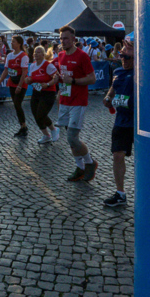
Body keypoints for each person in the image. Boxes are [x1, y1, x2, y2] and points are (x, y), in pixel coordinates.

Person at [55, 25, 97, 181]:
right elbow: (62, 76)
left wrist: (73, 80)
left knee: (72, 137)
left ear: (73, 39)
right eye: (61, 38)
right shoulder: (60, 55)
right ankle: (80, 168)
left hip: (78, 101)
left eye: (66, 38)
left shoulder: (82, 56)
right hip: (65, 100)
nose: (63, 41)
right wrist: (57, 79)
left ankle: (90, 162)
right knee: (70, 139)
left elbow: (92, 78)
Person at [102, 36, 134, 206]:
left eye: (127, 56)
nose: (123, 59)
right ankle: (120, 193)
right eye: (121, 55)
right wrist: (108, 97)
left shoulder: (141, 72)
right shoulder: (118, 72)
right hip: (121, 121)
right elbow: (113, 88)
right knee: (117, 155)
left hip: (139, 123)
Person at [25, 45, 60, 143]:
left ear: (43, 54)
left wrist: (48, 84)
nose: (36, 54)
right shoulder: (32, 65)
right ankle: (46, 135)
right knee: (35, 114)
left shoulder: (47, 65)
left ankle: (54, 129)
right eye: (35, 52)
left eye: (39, 52)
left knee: (41, 114)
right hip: (36, 92)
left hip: (48, 93)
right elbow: (31, 78)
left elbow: (57, 77)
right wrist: (28, 80)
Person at [0, 34, 29, 137]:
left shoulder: (23, 56)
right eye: (11, 41)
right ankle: (23, 126)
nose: (11, 43)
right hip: (12, 82)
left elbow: (24, 72)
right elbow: (6, 70)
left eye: (13, 42)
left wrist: (20, 86)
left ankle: (24, 126)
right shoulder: (10, 55)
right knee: (16, 105)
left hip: (21, 83)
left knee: (17, 104)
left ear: (19, 44)